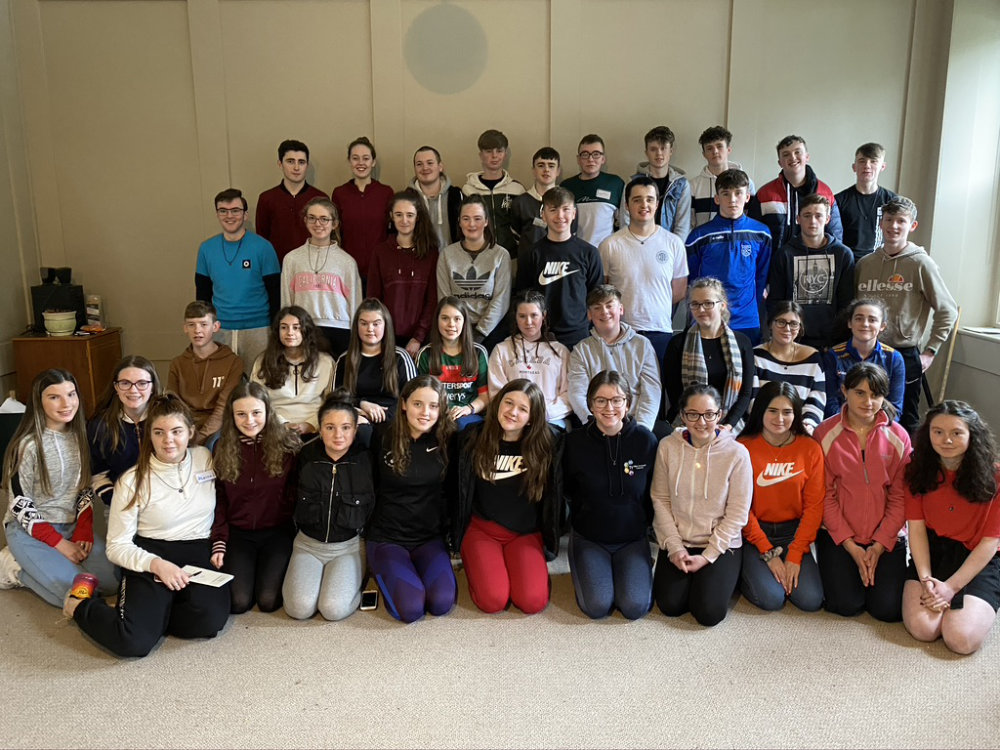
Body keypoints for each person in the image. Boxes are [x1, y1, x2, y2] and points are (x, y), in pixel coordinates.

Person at [64, 394, 230, 657]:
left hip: (197, 548)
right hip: (150, 553)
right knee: (134, 642)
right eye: (159, 432)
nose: (168, 440)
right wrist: (156, 565)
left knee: (208, 622)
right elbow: (117, 546)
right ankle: (80, 606)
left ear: (190, 432)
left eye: (176, 431)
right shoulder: (131, 481)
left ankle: (150, 613)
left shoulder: (204, 458)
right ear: (149, 435)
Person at [0, 370, 117, 603]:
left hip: (70, 524)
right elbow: (20, 505)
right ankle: (12, 566)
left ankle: (42, 564)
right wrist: (60, 544)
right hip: (29, 530)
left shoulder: (82, 437)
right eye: (54, 397)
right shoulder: (26, 445)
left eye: (71, 394)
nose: (66, 404)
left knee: (111, 582)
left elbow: (84, 488)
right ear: (39, 401)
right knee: (75, 593)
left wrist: (84, 527)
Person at [453, 380, 563, 614]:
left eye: (523, 409)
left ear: (532, 418)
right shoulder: (472, 438)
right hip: (482, 530)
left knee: (532, 602)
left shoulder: (548, 445)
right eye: (508, 403)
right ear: (498, 404)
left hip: (525, 533)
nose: (512, 412)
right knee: (492, 601)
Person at [813, 362, 910, 622]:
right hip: (839, 535)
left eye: (875, 395)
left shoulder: (899, 436)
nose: (868, 402)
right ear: (845, 391)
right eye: (860, 393)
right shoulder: (824, 434)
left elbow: (900, 498)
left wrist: (878, 546)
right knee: (846, 604)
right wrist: (851, 546)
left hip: (885, 536)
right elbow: (825, 496)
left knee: (887, 610)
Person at [902, 401, 1000, 654]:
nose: (946, 440)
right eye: (938, 432)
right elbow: (916, 531)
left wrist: (950, 588)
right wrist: (927, 580)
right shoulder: (915, 471)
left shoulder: (996, 477)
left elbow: (990, 543)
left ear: (972, 435)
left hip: (977, 558)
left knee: (960, 639)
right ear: (928, 434)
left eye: (956, 433)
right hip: (933, 551)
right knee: (924, 629)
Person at [651, 384, 753, 626]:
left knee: (708, 613)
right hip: (680, 540)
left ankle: (726, 575)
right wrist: (675, 547)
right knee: (670, 606)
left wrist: (708, 556)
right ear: (682, 415)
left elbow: (737, 513)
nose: (701, 422)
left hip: (719, 544)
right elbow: (661, 499)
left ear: (720, 415)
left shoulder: (737, 453)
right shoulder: (667, 446)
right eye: (693, 414)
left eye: (709, 414)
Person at [854, 196, 957, 433]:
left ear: (912, 226)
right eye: (889, 219)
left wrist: (930, 351)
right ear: (881, 223)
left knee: (904, 421)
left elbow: (947, 310)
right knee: (863, 415)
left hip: (904, 352)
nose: (894, 226)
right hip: (867, 351)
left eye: (901, 221)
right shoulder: (865, 264)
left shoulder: (921, 264)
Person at [563, 371, 658, 620]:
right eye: (601, 400)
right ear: (590, 404)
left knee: (634, 606)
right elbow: (566, 490)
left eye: (617, 400)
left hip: (632, 539)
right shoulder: (573, 442)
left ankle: (636, 567)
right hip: (590, 538)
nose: (609, 408)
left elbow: (655, 494)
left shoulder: (646, 441)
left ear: (627, 403)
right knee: (597, 606)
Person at [366, 375, 457, 623]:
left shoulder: (449, 439)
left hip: (428, 538)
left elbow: (453, 491)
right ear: (404, 404)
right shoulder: (383, 435)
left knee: (441, 602)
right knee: (411, 609)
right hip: (387, 538)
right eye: (418, 404)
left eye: (433, 406)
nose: (425, 412)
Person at [282, 391, 375, 621]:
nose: (338, 435)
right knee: (299, 609)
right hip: (308, 544)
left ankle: (354, 579)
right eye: (330, 427)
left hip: (348, 546)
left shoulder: (366, 460)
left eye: (346, 427)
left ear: (355, 429)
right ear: (320, 429)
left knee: (332, 609)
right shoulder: (305, 456)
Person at [210, 383, 301, 614]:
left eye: (256, 412)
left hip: (277, 532)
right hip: (239, 533)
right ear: (232, 416)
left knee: (268, 600)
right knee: (239, 602)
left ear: (268, 412)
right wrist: (219, 540)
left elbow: (297, 492)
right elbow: (219, 498)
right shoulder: (221, 447)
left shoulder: (287, 446)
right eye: (241, 414)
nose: (249, 420)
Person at [737, 382, 824, 612]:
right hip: (755, 534)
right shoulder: (743, 447)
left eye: (787, 412)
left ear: (796, 414)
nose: (780, 419)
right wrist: (768, 552)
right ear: (760, 411)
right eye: (772, 411)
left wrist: (795, 554)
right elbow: (740, 507)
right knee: (771, 599)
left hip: (793, 533)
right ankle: (741, 571)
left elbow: (814, 507)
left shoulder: (810, 448)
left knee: (811, 600)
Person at [599, 175, 689, 367]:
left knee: (658, 385)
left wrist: (653, 304)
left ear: (657, 204)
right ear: (627, 205)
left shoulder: (673, 243)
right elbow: (602, 290)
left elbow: (680, 290)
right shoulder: (610, 244)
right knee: (620, 386)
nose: (644, 205)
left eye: (649, 199)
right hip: (621, 332)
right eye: (637, 200)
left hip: (660, 330)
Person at [195, 188, 280, 369]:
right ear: (217, 214)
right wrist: (203, 328)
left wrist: (275, 331)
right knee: (221, 382)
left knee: (260, 381)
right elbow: (202, 296)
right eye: (223, 211)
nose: (229, 216)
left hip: (258, 330)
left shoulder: (263, 247)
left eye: (235, 210)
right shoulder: (206, 249)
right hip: (220, 330)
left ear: (245, 215)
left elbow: (276, 294)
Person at [685, 169, 771, 344]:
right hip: (709, 317)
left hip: (747, 320)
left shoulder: (761, 233)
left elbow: (762, 276)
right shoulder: (699, 236)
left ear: (747, 197)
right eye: (726, 194)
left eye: (738, 193)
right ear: (717, 198)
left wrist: (753, 308)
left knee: (747, 362)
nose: (732, 200)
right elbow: (692, 280)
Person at [515, 186, 604, 349]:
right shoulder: (531, 254)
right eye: (553, 210)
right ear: (543, 215)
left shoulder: (589, 253)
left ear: (574, 213)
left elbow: (597, 297)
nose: (560, 216)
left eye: (565, 209)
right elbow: (522, 297)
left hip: (579, 336)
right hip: (540, 335)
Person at [663, 278, 754, 431]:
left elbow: (745, 394)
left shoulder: (742, 342)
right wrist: (698, 423)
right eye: (695, 304)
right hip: (688, 422)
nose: (701, 309)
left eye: (708, 303)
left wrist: (727, 426)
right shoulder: (677, 344)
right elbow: (675, 393)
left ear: (722, 306)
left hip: (730, 425)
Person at [766, 194, 855, 350]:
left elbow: (846, 302)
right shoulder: (784, 254)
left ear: (827, 219)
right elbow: (776, 301)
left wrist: (839, 337)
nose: (813, 221)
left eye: (818, 216)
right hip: (793, 337)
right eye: (807, 215)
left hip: (831, 340)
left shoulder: (843, 254)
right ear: (798, 219)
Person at [568, 285, 661, 432]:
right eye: (597, 307)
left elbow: (651, 392)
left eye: (609, 305)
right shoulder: (581, 350)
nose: (604, 311)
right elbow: (577, 394)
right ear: (589, 315)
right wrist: (595, 426)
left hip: (635, 424)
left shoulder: (643, 345)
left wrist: (641, 430)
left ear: (621, 309)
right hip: (596, 425)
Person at [280, 197, 362, 359]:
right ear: (305, 220)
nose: (318, 224)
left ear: (334, 223)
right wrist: (288, 327)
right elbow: (286, 300)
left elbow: (355, 303)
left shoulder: (347, 262)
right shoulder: (291, 259)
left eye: (324, 219)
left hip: (339, 330)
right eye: (312, 218)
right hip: (303, 328)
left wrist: (357, 337)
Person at [368, 189, 440, 358]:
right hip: (386, 338)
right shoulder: (380, 252)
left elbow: (433, 300)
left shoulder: (431, 253)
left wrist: (418, 337)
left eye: (410, 215)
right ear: (391, 216)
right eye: (399, 215)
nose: (404, 220)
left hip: (422, 340)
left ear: (418, 217)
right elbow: (374, 299)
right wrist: (383, 336)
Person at [88, 356, 163, 514]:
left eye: (142, 383)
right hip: (120, 505)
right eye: (125, 383)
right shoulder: (100, 425)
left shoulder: (166, 419)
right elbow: (98, 475)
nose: (133, 390)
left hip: (164, 503)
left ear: (153, 386)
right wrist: (117, 501)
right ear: (116, 387)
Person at [487, 290, 572, 426]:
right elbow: (497, 393)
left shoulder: (560, 351)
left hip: (550, 420)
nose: (528, 322)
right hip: (512, 419)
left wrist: (540, 414)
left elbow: (568, 393)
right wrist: (519, 414)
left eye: (534, 315)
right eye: (522, 316)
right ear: (515, 317)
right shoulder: (501, 350)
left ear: (543, 315)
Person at [334, 298, 417, 436]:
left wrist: (382, 416)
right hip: (357, 417)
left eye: (376, 324)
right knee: (361, 432)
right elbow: (336, 400)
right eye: (364, 323)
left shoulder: (401, 357)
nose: (370, 329)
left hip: (393, 419)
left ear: (386, 325)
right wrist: (361, 405)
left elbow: (413, 398)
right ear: (356, 326)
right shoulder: (344, 359)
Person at [436, 194, 511, 347]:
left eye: (477, 218)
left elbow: (501, 301)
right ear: (459, 221)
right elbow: (444, 299)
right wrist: (458, 330)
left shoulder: (501, 255)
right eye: (466, 218)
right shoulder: (446, 255)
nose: (471, 224)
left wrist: (479, 334)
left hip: (491, 333)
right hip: (455, 331)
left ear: (486, 221)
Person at [168, 301, 244, 445]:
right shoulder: (177, 364)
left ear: (215, 327)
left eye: (203, 324)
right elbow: (174, 404)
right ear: (185, 328)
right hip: (186, 425)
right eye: (191, 325)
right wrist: (186, 434)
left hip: (218, 427)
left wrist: (199, 438)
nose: (197, 330)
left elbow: (223, 408)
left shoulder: (233, 362)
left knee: (214, 444)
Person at [250, 307, 334, 436]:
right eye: (284, 327)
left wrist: (311, 424)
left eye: (296, 327)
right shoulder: (263, 361)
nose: (290, 332)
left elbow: (332, 402)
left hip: (317, 429)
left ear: (306, 330)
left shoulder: (325, 362)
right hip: (274, 428)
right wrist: (282, 424)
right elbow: (256, 401)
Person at [750, 135, 844, 250]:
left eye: (797, 152)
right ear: (780, 163)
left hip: (815, 259)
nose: (792, 157)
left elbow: (835, 235)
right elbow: (752, 235)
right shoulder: (765, 194)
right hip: (776, 260)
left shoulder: (825, 193)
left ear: (807, 157)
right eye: (786, 154)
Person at [752, 302, 827, 433]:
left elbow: (816, 400)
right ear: (770, 324)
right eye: (781, 322)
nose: (787, 328)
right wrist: (774, 425)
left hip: (800, 429)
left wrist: (806, 425)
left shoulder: (813, 357)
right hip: (762, 428)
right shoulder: (756, 356)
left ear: (800, 328)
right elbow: (752, 399)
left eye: (793, 324)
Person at [824, 298, 905, 418]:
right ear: (849, 323)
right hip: (840, 423)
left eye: (872, 320)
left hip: (879, 425)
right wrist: (848, 425)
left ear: (882, 326)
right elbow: (830, 403)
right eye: (859, 319)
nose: (865, 324)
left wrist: (872, 426)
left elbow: (895, 408)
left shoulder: (894, 358)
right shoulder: (833, 355)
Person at [416, 297, 489, 429]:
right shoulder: (425, 354)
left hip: (469, 413)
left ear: (464, 322)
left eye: (457, 319)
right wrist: (442, 411)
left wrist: (468, 409)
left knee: (463, 426)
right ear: (437, 321)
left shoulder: (478, 352)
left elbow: (485, 396)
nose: (451, 324)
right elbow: (421, 396)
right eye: (445, 318)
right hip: (436, 414)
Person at [330, 136, 394, 280]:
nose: (361, 163)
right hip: (347, 268)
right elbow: (334, 232)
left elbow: (393, 232)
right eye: (355, 158)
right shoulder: (339, 193)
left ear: (373, 162)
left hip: (380, 269)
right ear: (349, 161)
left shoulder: (386, 192)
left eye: (366, 158)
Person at [255, 139, 328, 262]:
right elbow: (262, 239)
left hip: (313, 266)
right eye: (290, 161)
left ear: (307, 165)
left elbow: (326, 238)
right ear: (280, 164)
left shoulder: (320, 198)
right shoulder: (266, 199)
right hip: (277, 267)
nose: (296, 167)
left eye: (301, 162)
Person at [461, 129, 525, 253]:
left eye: (499, 151)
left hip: (511, 255)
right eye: (489, 151)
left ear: (505, 154)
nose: (494, 156)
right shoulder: (468, 190)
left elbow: (523, 225)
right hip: (478, 254)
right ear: (481, 155)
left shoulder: (517, 189)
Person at [834, 143, 898, 263]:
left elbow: (898, 236)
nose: (867, 166)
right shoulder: (838, 201)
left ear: (882, 166)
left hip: (881, 262)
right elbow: (834, 238)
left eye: (873, 161)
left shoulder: (892, 201)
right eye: (862, 161)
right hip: (848, 263)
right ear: (854, 167)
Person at [626, 126, 691, 240]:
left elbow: (682, 226)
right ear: (646, 152)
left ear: (671, 151)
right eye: (653, 149)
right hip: (637, 244)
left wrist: (673, 248)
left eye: (663, 148)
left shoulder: (681, 185)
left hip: (669, 246)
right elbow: (626, 220)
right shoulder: (633, 183)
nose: (659, 153)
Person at [561, 134, 625, 247]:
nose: (590, 159)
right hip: (574, 251)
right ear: (578, 159)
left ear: (603, 159)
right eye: (585, 154)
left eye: (596, 154)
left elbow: (625, 222)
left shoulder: (615, 184)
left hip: (606, 252)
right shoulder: (566, 186)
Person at [689, 125, 756, 230]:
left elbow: (751, 219)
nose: (715, 151)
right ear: (704, 154)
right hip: (704, 239)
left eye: (719, 146)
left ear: (728, 149)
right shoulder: (693, 186)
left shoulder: (746, 183)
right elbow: (689, 223)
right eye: (709, 148)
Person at [510, 147, 565, 266]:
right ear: (534, 170)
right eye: (541, 165)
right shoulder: (520, 203)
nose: (546, 170)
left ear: (558, 171)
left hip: (559, 266)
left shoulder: (567, 203)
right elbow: (516, 236)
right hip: (529, 266)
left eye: (551, 166)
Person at [410, 146, 463, 250]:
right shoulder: (408, 198)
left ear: (440, 167)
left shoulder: (456, 195)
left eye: (430, 163)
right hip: (418, 258)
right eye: (419, 164)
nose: (425, 168)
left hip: (452, 258)